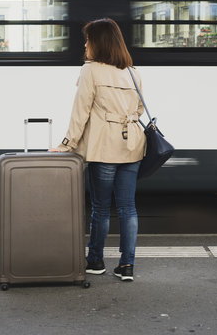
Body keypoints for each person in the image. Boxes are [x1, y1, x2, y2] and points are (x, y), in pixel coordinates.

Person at [50, 18, 146, 281]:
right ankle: (127, 265)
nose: (85, 44)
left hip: (105, 146)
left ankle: (95, 261)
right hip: (133, 145)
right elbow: (138, 111)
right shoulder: (132, 71)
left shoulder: (90, 71)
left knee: (101, 209)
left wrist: (66, 144)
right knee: (128, 208)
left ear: (98, 42)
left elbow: (80, 113)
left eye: (88, 38)